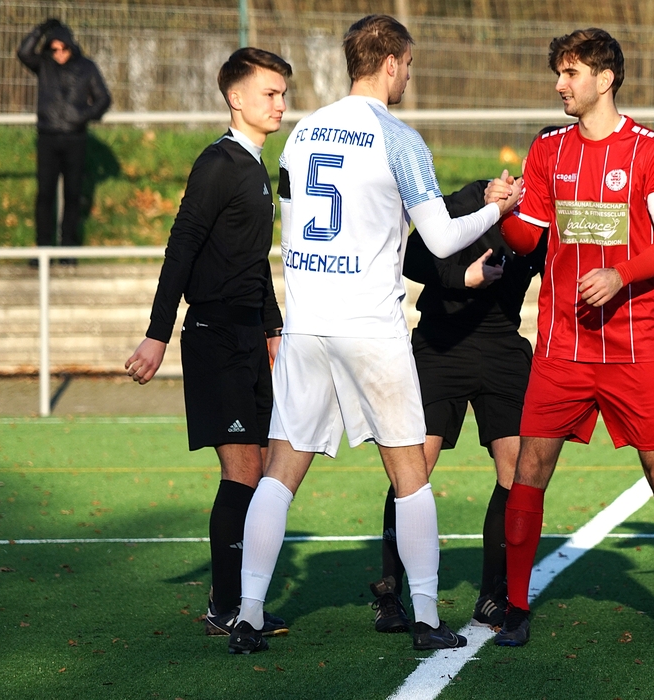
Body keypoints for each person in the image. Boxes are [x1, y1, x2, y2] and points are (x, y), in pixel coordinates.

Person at [229, 14, 521, 655]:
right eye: (408, 65)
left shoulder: (302, 132)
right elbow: (441, 239)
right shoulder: (398, 137)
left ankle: (247, 617)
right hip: (369, 326)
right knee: (411, 474)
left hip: (308, 323)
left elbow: (291, 221)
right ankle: (426, 618)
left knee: (279, 474)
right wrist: (495, 209)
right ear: (391, 63)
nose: (408, 76)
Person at [493, 27, 654, 647]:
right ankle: (515, 605)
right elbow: (527, 239)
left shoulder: (652, 151)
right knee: (529, 469)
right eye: (559, 73)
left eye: (572, 73)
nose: (561, 85)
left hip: (638, 349)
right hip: (563, 348)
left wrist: (620, 274)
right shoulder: (548, 150)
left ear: (605, 79)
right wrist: (505, 210)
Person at [123, 48, 293, 640]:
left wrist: (272, 329)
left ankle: (244, 602)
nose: (280, 104)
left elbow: (254, 262)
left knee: (263, 469)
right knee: (243, 470)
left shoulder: (257, 167)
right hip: (214, 336)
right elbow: (183, 246)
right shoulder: (218, 163)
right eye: (270, 93)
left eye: (283, 93)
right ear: (236, 99)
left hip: (249, 335)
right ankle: (227, 607)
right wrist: (156, 334)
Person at [368, 177, 546, 634]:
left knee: (516, 470)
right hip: (441, 345)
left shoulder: (546, 219)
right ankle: (390, 592)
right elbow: (410, 256)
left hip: (502, 346)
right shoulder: (470, 198)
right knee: (414, 467)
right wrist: (463, 276)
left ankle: (493, 595)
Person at [17, 18, 111, 264]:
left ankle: (68, 248)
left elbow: (103, 99)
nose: (59, 53)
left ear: (71, 46)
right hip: (47, 138)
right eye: (54, 49)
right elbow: (23, 52)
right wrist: (40, 29)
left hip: (75, 140)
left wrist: (83, 115)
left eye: (63, 48)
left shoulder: (87, 67)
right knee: (44, 195)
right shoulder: (44, 64)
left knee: (73, 195)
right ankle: (43, 250)